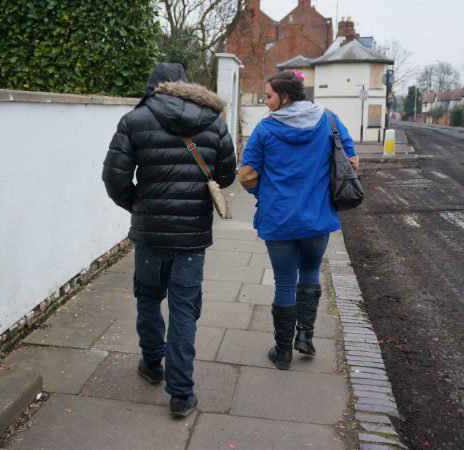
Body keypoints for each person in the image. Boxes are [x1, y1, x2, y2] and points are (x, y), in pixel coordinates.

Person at [102, 62, 236, 416]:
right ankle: (180, 394)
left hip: (149, 236)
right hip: (191, 238)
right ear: (185, 85)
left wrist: (139, 205)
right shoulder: (215, 121)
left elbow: (114, 178)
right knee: (184, 311)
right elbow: (225, 175)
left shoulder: (135, 120)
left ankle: (151, 364)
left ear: (153, 87)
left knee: (148, 298)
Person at [238, 70, 358, 370]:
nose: (265, 102)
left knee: (284, 282)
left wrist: (264, 193)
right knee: (310, 273)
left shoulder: (265, 130)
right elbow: (352, 162)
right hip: (317, 218)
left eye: (268, 96)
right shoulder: (328, 119)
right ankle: (305, 336)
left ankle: (282, 352)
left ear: (285, 96)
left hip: (278, 219)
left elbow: (247, 175)